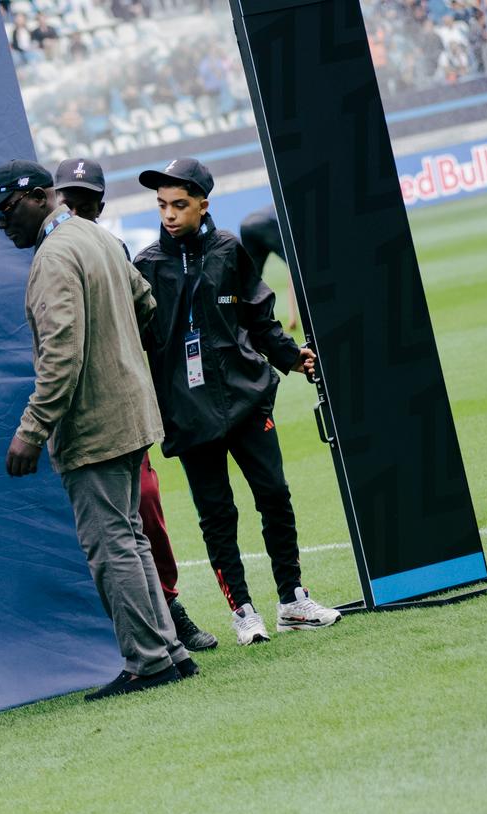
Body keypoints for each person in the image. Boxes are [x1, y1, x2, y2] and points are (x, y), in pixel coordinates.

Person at [0, 159, 196, 701]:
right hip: (130, 410)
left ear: (39, 197)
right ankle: (169, 650)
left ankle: (148, 662)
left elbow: (61, 352)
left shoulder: (54, 256)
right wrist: (119, 356)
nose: (2, 223)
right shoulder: (97, 236)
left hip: (94, 423)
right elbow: (146, 303)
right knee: (130, 536)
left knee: (110, 544)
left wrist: (32, 429)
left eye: (6, 210)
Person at [132, 158, 342, 645]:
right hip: (188, 413)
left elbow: (258, 318)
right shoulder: (145, 266)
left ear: (203, 205)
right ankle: (243, 612)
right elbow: (136, 342)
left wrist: (291, 357)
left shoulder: (229, 250)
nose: (169, 214)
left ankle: (293, 600)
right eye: (162, 205)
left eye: (179, 204)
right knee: (218, 516)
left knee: (275, 496)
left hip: (246, 399)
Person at [53, 157, 218, 651]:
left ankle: (168, 608)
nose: (75, 207)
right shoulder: (49, 253)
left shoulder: (112, 249)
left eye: (85, 200)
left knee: (144, 507)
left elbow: (150, 323)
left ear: (100, 206)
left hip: (115, 407)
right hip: (71, 410)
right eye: (68, 198)